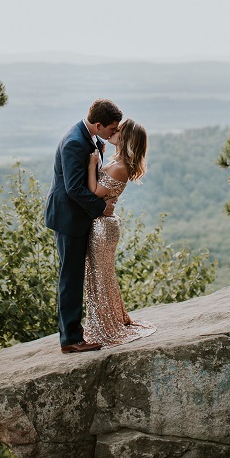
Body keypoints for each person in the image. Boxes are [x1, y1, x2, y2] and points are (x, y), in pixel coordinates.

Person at [44, 98, 122, 354]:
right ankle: (70, 339)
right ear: (98, 124)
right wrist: (102, 208)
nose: (114, 133)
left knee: (76, 276)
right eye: (111, 128)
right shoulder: (75, 142)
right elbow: (74, 188)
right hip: (68, 218)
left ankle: (76, 333)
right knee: (71, 278)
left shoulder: (89, 137)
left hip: (78, 217)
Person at [83, 118, 157, 347]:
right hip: (104, 223)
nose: (114, 131)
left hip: (102, 228)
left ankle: (105, 325)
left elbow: (94, 192)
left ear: (125, 138)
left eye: (119, 130)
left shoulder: (119, 166)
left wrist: (91, 165)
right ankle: (109, 319)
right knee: (101, 274)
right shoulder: (117, 161)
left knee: (99, 275)